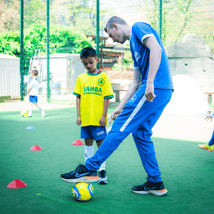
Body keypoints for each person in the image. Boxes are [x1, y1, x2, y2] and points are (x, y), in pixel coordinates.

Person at [61, 16, 174, 196]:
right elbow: (136, 80)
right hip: (162, 89)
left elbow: (156, 48)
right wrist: (121, 105)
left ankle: (90, 168)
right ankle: (155, 182)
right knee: (141, 133)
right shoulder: (133, 46)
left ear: (115, 26)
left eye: (109, 33)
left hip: (154, 87)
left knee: (120, 126)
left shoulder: (139, 27)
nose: (112, 39)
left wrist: (151, 81)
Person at [69, 47, 114, 184]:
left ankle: (102, 171)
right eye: (85, 64)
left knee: (101, 145)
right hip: (86, 119)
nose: (88, 66)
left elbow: (107, 97)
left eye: (90, 62)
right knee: (88, 143)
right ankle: (89, 170)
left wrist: (104, 116)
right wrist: (78, 115)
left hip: (98, 119)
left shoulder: (103, 77)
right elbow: (78, 97)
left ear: (96, 60)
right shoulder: (81, 78)